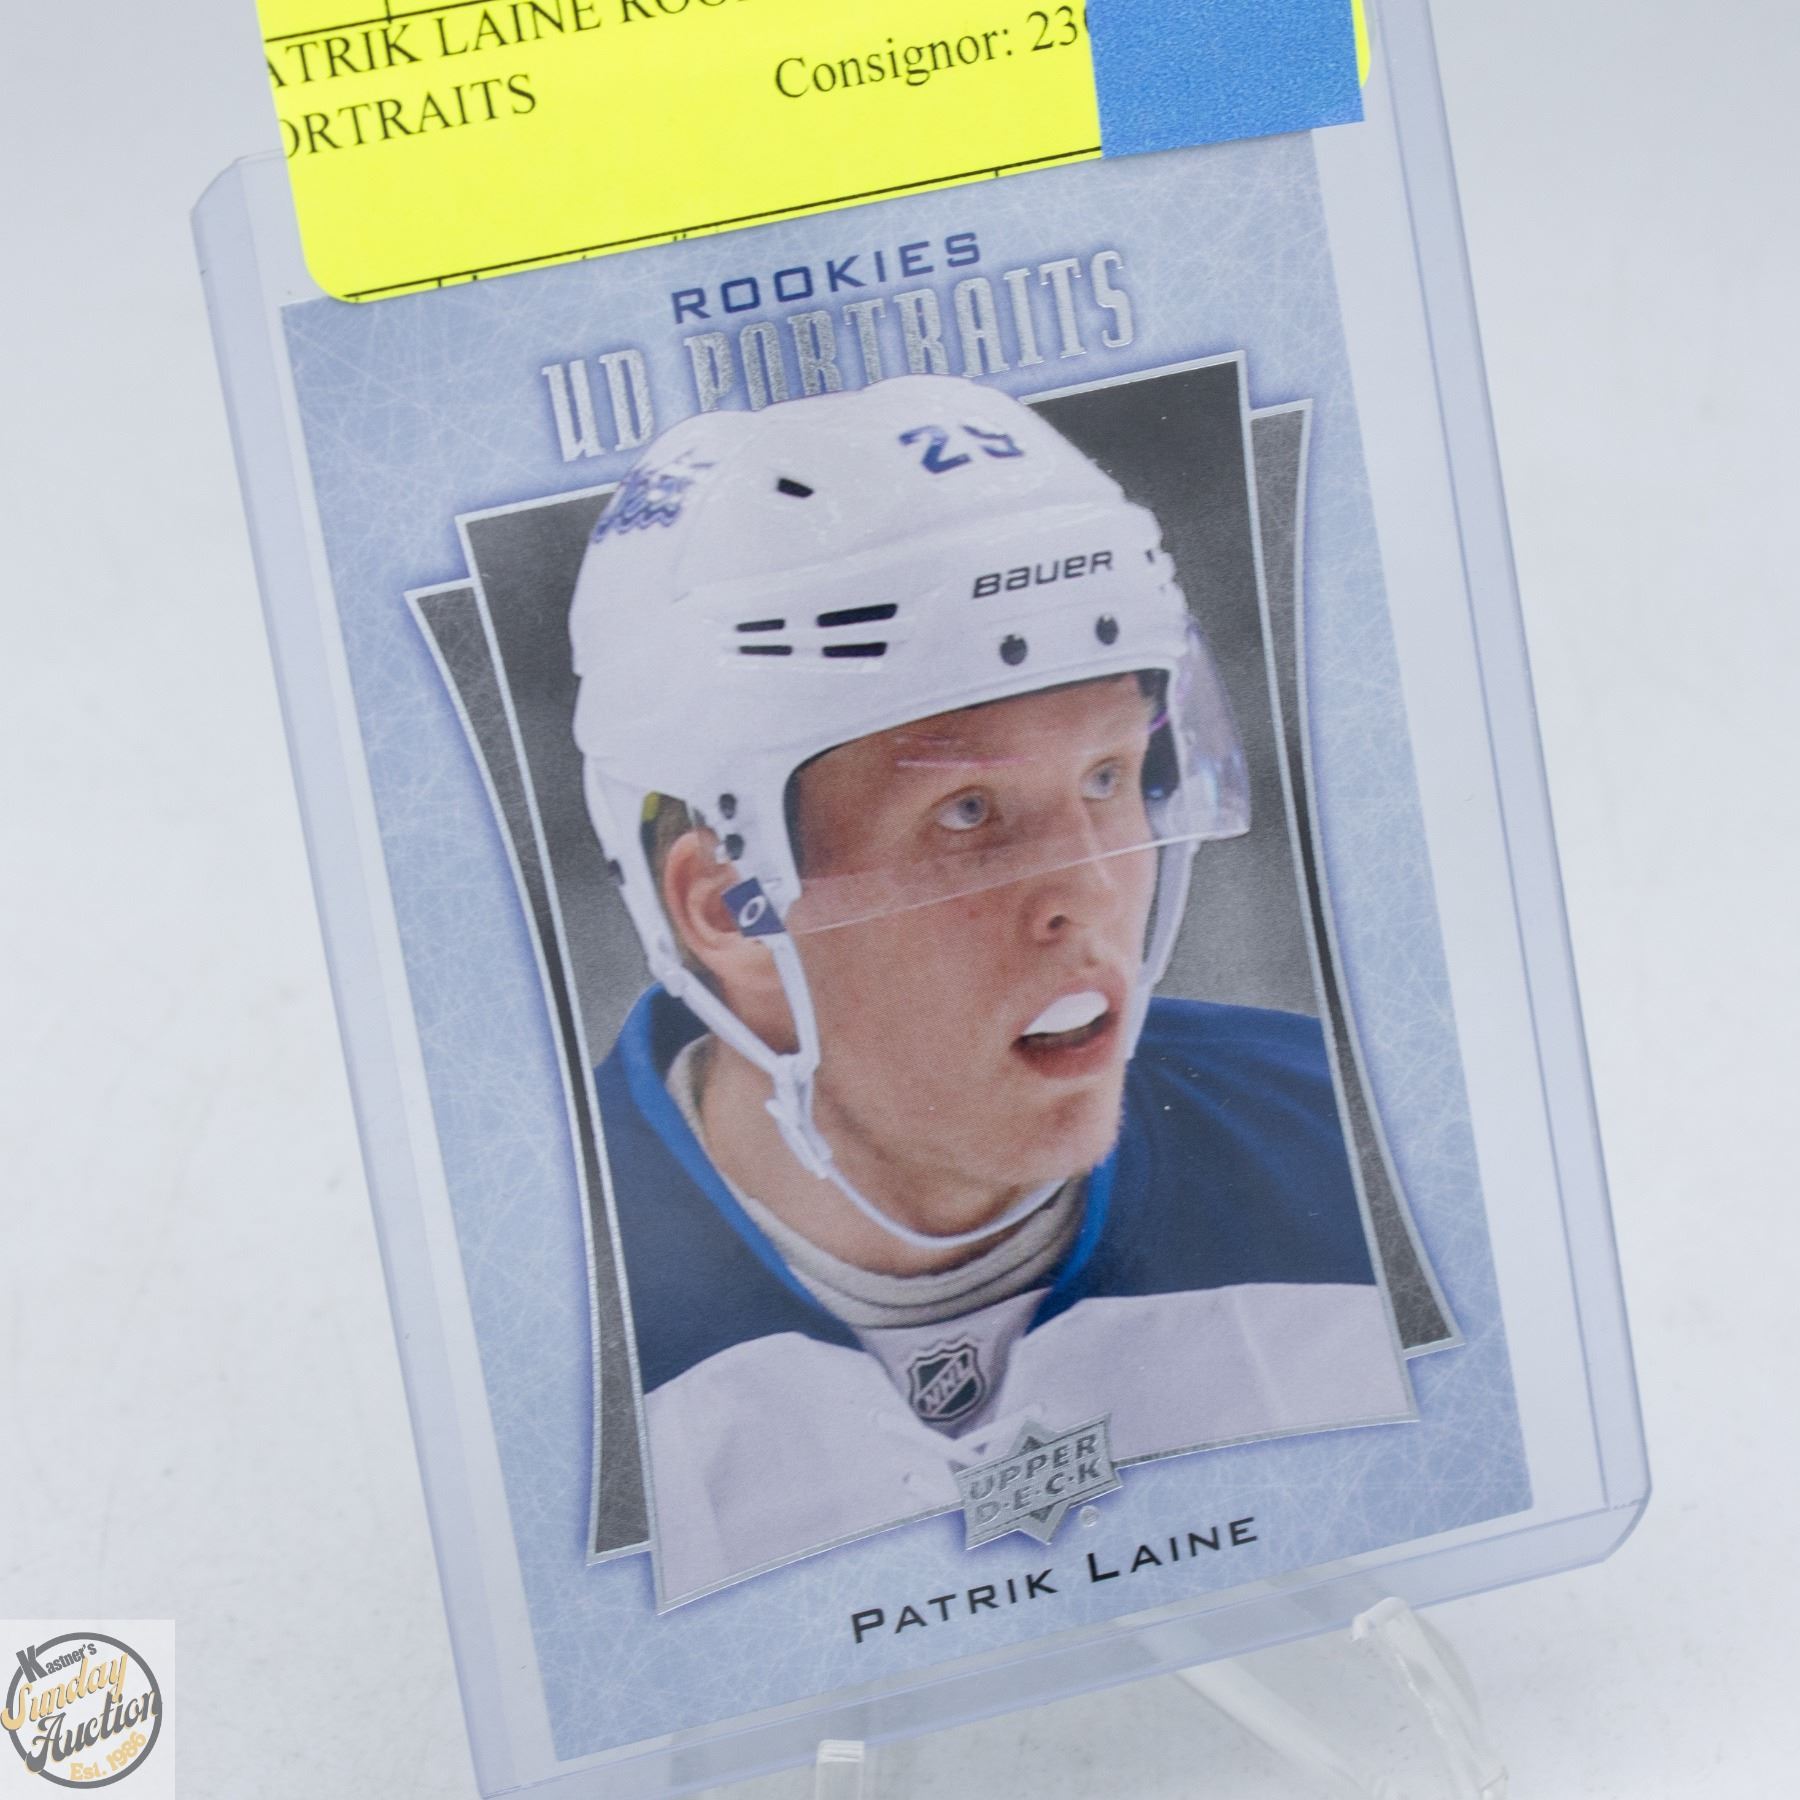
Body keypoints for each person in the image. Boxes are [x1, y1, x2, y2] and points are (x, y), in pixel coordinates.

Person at [570, 374, 1414, 1603]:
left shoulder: (1354, 1144)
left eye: (1108, 779)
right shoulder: (550, 1314)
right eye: (969, 812)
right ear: (732, 905)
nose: (1088, 893)